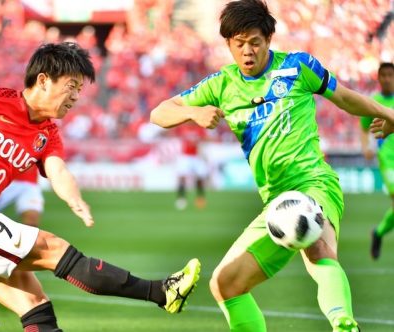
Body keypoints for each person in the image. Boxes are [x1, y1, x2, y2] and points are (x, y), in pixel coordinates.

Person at [0, 42, 201, 332]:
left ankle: (161, 294)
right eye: (71, 86)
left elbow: (57, 170)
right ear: (43, 80)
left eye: (80, 90)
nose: (75, 97)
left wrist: (75, 198)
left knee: (36, 308)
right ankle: (161, 292)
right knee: (55, 249)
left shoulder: (48, 134)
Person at [150, 1, 394, 331]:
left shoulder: (298, 67)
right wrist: (191, 113)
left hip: (314, 181)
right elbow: (160, 112)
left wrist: (389, 114)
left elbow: (346, 97)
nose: (247, 51)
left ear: (268, 39)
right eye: (239, 44)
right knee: (225, 285)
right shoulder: (221, 85)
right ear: (229, 45)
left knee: (315, 241)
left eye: (255, 42)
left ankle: (343, 323)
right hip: (275, 201)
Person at [359, 62, 394, 260]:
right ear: (379, 78)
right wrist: (366, 147)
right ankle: (378, 233)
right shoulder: (374, 102)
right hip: (388, 159)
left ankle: (378, 232)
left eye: (391, 75)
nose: (387, 79)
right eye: (384, 75)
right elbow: (364, 127)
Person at [174, 122, 209, 210]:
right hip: (185, 156)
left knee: (200, 178)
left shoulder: (200, 129)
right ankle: (181, 198)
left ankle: (200, 198)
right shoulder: (183, 128)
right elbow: (174, 133)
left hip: (196, 156)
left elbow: (204, 139)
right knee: (182, 177)